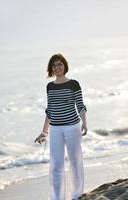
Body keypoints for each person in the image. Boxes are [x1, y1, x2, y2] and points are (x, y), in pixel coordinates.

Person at [35, 53, 87, 200]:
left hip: (72, 127)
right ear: (51, 69)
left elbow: (81, 106)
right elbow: (49, 110)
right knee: (56, 165)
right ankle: (57, 198)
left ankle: (77, 195)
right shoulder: (49, 86)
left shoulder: (73, 84)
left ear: (65, 66)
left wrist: (85, 123)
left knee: (74, 162)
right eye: (54, 65)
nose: (57, 67)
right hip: (56, 129)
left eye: (60, 64)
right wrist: (44, 132)